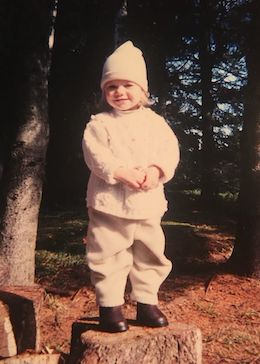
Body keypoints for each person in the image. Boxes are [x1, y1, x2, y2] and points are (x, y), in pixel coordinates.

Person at [82, 41, 180, 333]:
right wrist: (119, 171)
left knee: (151, 252)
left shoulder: (157, 123)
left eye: (128, 85)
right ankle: (110, 306)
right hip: (108, 203)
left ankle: (147, 302)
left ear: (143, 91)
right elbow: (95, 154)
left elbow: (169, 151)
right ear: (104, 92)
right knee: (108, 253)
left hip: (147, 203)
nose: (120, 92)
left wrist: (156, 170)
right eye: (112, 86)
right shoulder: (99, 124)